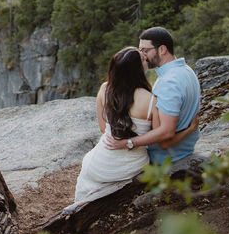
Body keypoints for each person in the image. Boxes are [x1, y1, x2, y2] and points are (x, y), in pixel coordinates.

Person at [71, 46, 198, 207]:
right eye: (144, 59)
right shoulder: (151, 100)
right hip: (130, 166)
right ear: (138, 70)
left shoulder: (104, 89)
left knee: (88, 168)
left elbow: (104, 129)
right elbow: (162, 139)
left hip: (97, 165)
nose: (147, 59)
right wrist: (189, 130)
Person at [104, 27, 201, 165]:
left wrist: (129, 143)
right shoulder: (186, 70)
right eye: (140, 50)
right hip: (183, 150)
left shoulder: (169, 83)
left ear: (162, 49)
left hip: (164, 158)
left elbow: (166, 134)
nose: (142, 55)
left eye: (145, 50)